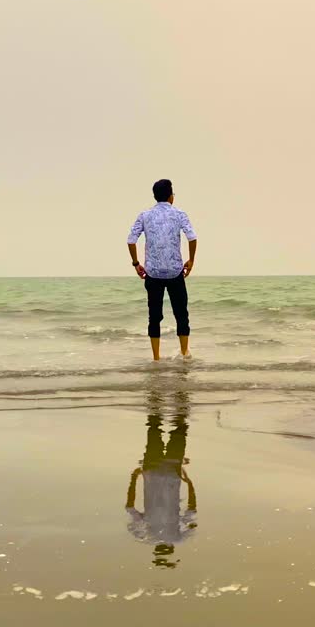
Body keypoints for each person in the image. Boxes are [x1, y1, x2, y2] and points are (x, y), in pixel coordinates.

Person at [126, 179, 198, 361]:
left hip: (153, 272)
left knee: (154, 316)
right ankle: (184, 354)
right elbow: (192, 237)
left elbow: (131, 240)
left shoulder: (145, 215)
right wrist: (191, 260)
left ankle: (156, 358)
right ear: (170, 196)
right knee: (181, 314)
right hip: (175, 271)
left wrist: (136, 264)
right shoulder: (179, 214)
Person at [125, 389, 196, 567]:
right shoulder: (145, 536)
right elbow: (130, 506)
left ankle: (177, 392)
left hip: (172, 471)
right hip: (152, 470)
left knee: (179, 427)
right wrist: (135, 477)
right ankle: (158, 392)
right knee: (154, 427)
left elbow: (192, 510)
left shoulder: (178, 537)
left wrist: (189, 483)